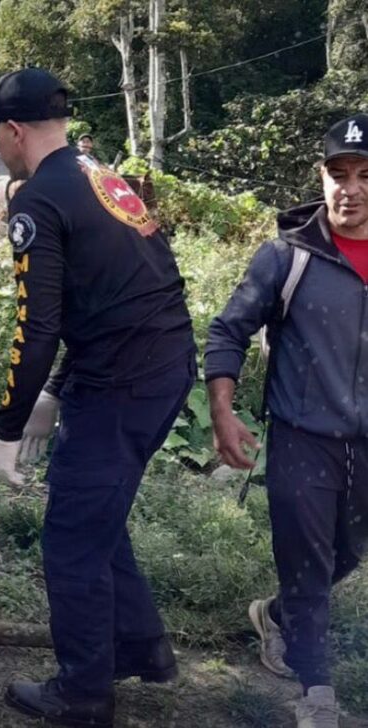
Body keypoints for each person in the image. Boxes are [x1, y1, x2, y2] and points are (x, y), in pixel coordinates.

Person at [0, 68, 196, 727]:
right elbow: (121, 292)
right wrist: (57, 390)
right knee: (97, 514)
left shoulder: (39, 199)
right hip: (161, 365)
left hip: (123, 383)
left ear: (14, 132)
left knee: (71, 534)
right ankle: (142, 648)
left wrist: (6, 431)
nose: (0, 148)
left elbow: (36, 325)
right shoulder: (101, 176)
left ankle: (83, 694)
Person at [204, 114, 368, 728]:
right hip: (303, 436)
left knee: (346, 554)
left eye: (365, 175)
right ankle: (317, 696)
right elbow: (228, 330)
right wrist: (223, 411)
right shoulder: (288, 257)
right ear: (322, 177)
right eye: (338, 173)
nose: (349, 188)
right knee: (306, 561)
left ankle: (275, 616)